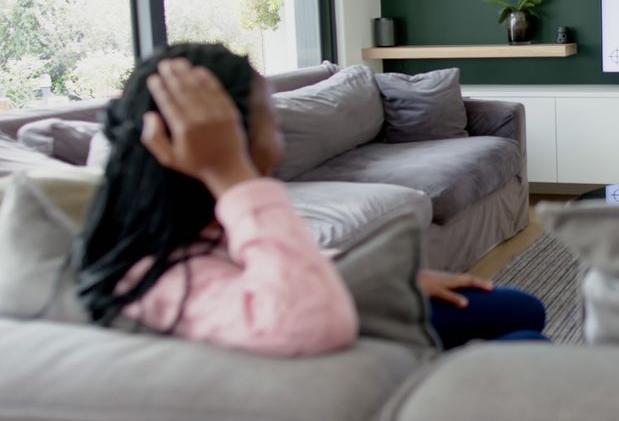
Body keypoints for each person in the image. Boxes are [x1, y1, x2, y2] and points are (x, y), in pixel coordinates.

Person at [75, 43, 545, 356]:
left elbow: (251, 257)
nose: (278, 134)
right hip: (327, 339)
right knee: (525, 338)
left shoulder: (184, 219)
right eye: (268, 117)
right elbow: (304, 320)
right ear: (223, 138)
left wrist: (390, 276)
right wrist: (233, 173)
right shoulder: (153, 273)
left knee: (521, 310)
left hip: (330, 296)